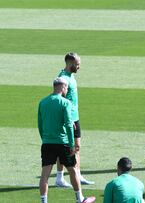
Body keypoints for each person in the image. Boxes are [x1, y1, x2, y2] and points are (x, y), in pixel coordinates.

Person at [38, 77, 95, 203]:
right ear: (63, 87)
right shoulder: (65, 103)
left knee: (45, 175)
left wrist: (45, 139)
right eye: (67, 88)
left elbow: (40, 125)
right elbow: (69, 125)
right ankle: (80, 199)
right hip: (63, 143)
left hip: (47, 143)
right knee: (73, 170)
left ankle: (44, 201)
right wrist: (72, 144)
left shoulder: (42, 102)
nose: (67, 90)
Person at [55, 52, 94, 187]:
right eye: (77, 64)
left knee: (77, 147)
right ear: (70, 64)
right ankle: (59, 178)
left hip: (75, 117)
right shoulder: (63, 78)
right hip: (68, 119)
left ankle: (77, 174)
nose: (79, 67)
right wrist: (67, 119)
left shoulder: (70, 76)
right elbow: (60, 99)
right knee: (64, 148)